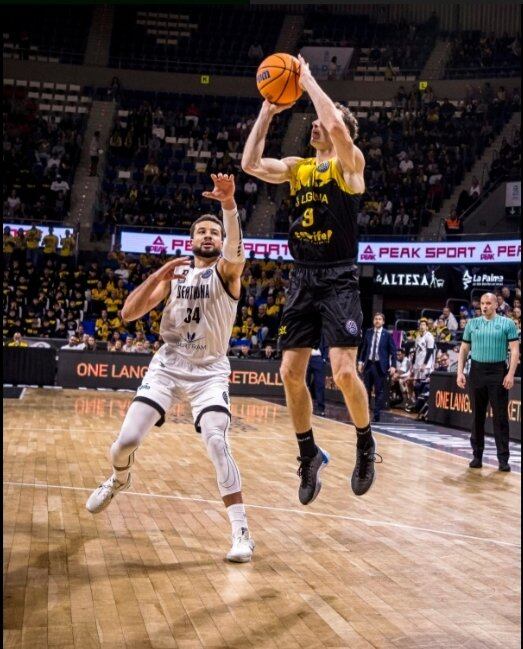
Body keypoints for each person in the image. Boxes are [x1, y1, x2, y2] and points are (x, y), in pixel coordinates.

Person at [86, 174, 255, 563]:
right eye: (202, 232)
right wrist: (157, 275)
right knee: (125, 443)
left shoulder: (227, 272)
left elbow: (236, 248)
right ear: (190, 240)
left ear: (222, 241)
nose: (209, 236)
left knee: (216, 440)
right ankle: (119, 478)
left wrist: (228, 205)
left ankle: (242, 532)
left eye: (214, 232)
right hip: (168, 366)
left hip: (209, 371)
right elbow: (128, 313)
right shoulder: (175, 274)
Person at [241, 54, 379, 502]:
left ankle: (364, 444)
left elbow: (336, 126)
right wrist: (267, 111)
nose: (315, 124)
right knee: (289, 372)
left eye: (323, 120)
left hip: (339, 278)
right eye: (315, 121)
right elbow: (250, 163)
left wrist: (309, 80)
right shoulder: (298, 167)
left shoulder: (349, 165)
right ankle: (308, 455)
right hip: (302, 277)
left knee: (343, 372)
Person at [457, 292, 519, 472]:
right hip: (477, 371)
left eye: (488, 303)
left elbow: (515, 350)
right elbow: (464, 349)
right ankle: (477, 456)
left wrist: (510, 374)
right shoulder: (472, 324)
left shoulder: (507, 324)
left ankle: (503, 459)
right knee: (477, 415)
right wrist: (460, 372)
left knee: (500, 417)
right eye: (482, 303)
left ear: (496, 305)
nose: (484, 306)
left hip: (498, 372)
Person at [358, 312, 397, 422]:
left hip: (380, 366)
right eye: (376, 319)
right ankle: (365, 413)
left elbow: (393, 351)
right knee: (366, 390)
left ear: (383, 322)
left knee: (379, 391)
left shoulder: (387, 334)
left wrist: (393, 365)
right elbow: (364, 349)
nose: (377, 321)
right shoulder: (368, 332)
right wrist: (360, 362)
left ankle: (376, 414)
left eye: (380, 319)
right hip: (369, 364)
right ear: (373, 321)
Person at [306, 346, 327, 417]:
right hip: (306, 357)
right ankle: (303, 406)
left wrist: (324, 359)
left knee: (320, 384)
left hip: (318, 359)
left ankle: (321, 409)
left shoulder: (322, 335)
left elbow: (326, 345)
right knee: (304, 384)